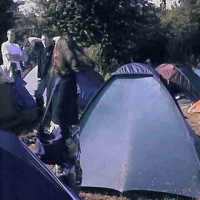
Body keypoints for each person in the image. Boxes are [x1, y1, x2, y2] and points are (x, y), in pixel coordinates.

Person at [28, 33, 54, 111]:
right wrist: (41, 39)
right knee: (38, 93)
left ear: (49, 40)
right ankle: (40, 108)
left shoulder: (53, 49)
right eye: (43, 40)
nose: (44, 42)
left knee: (49, 95)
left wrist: (51, 39)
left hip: (50, 76)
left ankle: (49, 111)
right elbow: (30, 39)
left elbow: (59, 39)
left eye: (46, 40)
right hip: (41, 76)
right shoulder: (40, 48)